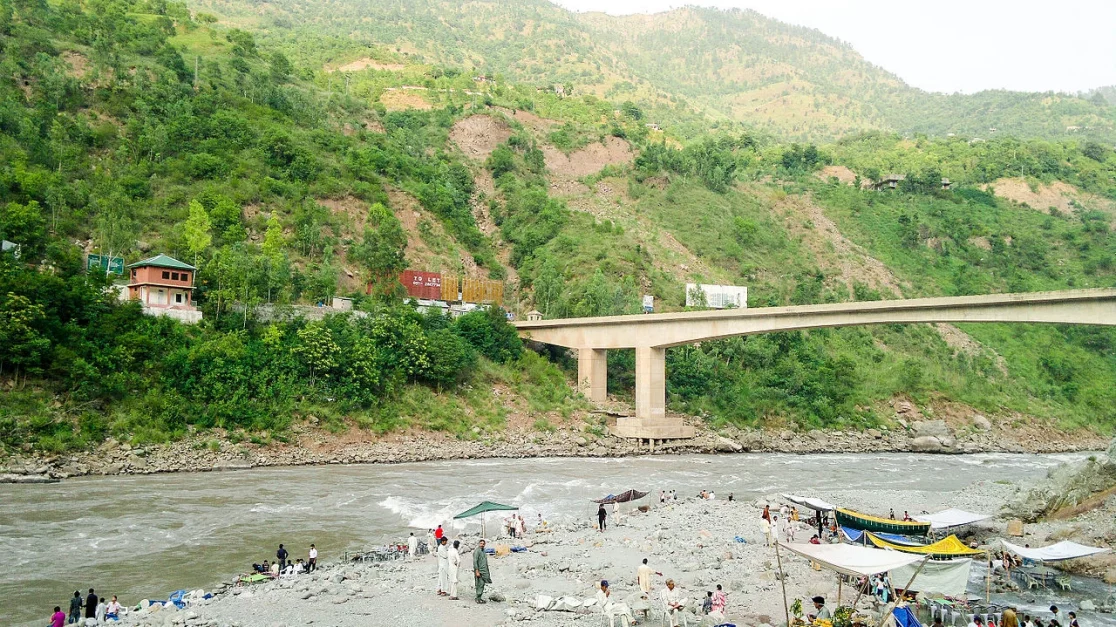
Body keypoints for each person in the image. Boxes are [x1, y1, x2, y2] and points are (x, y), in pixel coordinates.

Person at [473, 539, 491, 604]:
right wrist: (477, 571)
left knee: (482, 584)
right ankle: (478, 598)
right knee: (479, 584)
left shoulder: (483, 551)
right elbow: (475, 561)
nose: (482, 545)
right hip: (479, 570)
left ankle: (479, 597)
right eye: (481, 543)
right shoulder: (477, 551)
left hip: (484, 570)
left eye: (483, 544)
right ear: (479, 544)